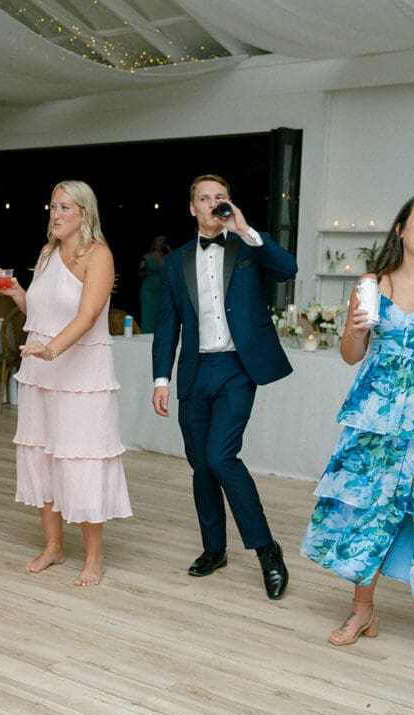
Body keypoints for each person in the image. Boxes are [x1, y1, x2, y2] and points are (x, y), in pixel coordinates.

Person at [301, 194, 414, 680]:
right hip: (377, 413)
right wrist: (353, 328)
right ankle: (363, 611)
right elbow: (352, 354)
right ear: (401, 229)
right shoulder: (373, 284)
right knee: (366, 506)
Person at [151, 174, 296, 600]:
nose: (213, 203)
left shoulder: (248, 247)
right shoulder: (175, 262)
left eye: (221, 197)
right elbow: (166, 326)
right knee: (202, 465)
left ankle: (267, 550)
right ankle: (214, 549)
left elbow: (287, 270)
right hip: (195, 372)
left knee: (221, 456)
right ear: (192, 207)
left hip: (238, 368)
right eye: (205, 198)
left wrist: (246, 230)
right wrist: (161, 379)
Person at [0, 180, 133, 587]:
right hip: (40, 371)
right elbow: (39, 312)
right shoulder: (46, 252)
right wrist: (17, 293)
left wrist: (51, 349)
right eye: (53, 207)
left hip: (81, 374)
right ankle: (53, 547)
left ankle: (94, 556)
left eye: (65, 207)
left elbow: (87, 317)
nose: (55, 214)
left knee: (81, 457)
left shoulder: (99, 255)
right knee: (41, 454)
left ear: (84, 214)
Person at [138, 235, 170, 333]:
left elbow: (175, 268)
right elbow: (140, 275)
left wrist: (169, 250)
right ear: (155, 243)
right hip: (148, 290)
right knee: (148, 315)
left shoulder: (167, 258)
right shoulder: (147, 257)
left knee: (161, 315)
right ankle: (146, 336)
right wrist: (141, 268)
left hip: (162, 290)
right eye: (159, 240)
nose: (161, 243)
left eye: (163, 241)